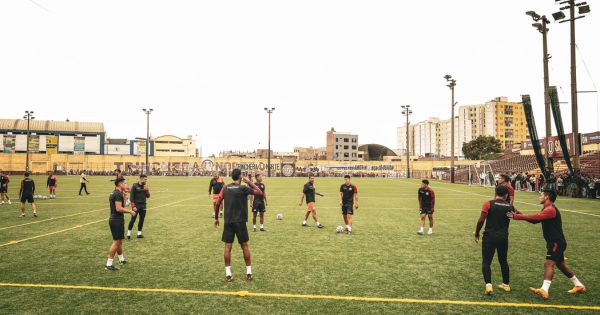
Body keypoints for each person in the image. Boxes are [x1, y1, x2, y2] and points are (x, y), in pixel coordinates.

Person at [508, 189, 586, 299]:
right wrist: (518, 213)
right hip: (554, 242)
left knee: (549, 263)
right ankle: (579, 285)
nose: (539, 197)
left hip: (556, 243)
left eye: (541, 195)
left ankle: (544, 290)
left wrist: (517, 217)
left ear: (547, 197)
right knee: (560, 265)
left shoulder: (550, 209)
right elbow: (535, 220)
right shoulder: (546, 208)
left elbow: (536, 217)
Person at [214, 169, 263, 282]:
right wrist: (249, 182)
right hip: (240, 222)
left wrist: (216, 218)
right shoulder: (243, 188)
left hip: (228, 222)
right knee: (244, 246)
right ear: (240, 177)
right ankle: (249, 273)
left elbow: (218, 202)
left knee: (227, 247)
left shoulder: (225, 188)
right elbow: (259, 192)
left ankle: (228, 274)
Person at [474, 185, 516, 296]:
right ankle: (506, 284)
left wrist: (477, 232)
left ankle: (488, 285)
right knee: (503, 260)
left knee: (486, 261)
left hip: (489, 237)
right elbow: (519, 215)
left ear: (495, 192)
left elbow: (481, 220)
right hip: (503, 237)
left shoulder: (488, 203)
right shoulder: (510, 206)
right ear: (506, 195)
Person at [105, 177, 137, 271]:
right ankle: (109, 264)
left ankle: (121, 259)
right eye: (125, 183)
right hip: (116, 220)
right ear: (120, 184)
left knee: (119, 241)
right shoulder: (117, 194)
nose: (126, 185)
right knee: (116, 242)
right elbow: (119, 209)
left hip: (116, 220)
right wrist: (130, 211)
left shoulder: (117, 193)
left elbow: (122, 205)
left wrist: (125, 197)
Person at [127, 175, 150, 239]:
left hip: (143, 205)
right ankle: (128, 234)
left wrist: (147, 190)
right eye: (145, 179)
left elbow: (148, 196)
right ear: (141, 179)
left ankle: (139, 233)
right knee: (133, 219)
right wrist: (133, 206)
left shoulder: (145, 186)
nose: (146, 181)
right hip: (136, 206)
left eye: (146, 179)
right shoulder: (134, 186)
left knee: (141, 220)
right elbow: (131, 197)